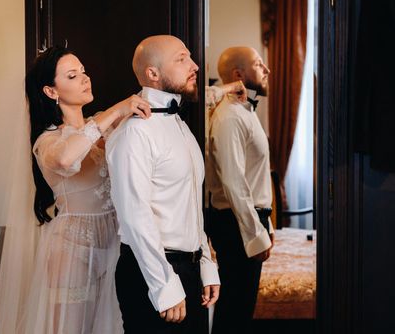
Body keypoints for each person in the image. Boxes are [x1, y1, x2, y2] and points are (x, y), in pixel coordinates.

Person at [0, 46, 151, 334]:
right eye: (73, 75)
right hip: (74, 249)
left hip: (116, 245)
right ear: (52, 92)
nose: (85, 79)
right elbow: (67, 158)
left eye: (84, 72)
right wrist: (115, 111)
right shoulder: (48, 141)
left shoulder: (101, 123)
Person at [105, 35, 222, 334]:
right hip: (152, 271)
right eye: (181, 59)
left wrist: (205, 265)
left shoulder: (180, 126)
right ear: (152, 74)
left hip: (189, 269)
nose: (195, 65)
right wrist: (164, 285)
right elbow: (135, 217)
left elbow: (192, 207)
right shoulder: (135, 133)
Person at [206, 46, 274, 333]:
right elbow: (234, 183)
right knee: (234, 312)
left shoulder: (244, 110)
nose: (267, 69)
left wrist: (265, 223)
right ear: (238, 74)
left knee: (241, 310)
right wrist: (255, 235)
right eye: (259, 64)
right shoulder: (229, 117)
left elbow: (254, 176)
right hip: (234, 223)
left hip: (247, 218)